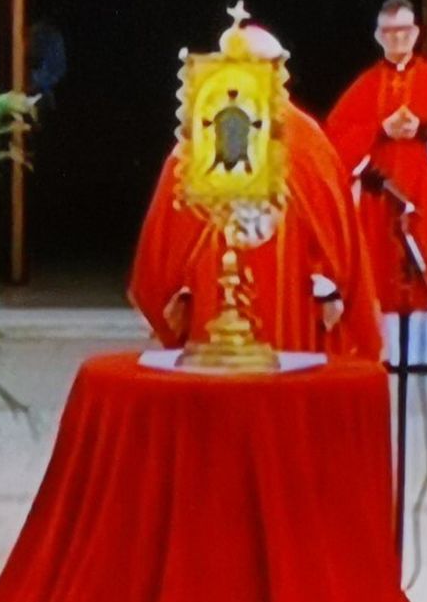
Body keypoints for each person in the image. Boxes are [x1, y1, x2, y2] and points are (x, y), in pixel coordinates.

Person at [127, 20, 384, 361]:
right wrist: (179, 284)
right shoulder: (202, 133)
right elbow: (173, 219)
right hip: (220, 291)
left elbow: (332, 221)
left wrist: (328, 277)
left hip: (291, 288)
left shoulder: (305, 138)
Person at [325, 0, 427, 369]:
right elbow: (336, 137)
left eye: (404, 31)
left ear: (416, 33)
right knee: (378, 265)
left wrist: (425, 129)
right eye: (390, 32)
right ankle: (384, 351)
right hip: (380, 193)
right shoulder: (364, 86)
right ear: (378, 36)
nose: (397, 38)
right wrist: (381, 129)